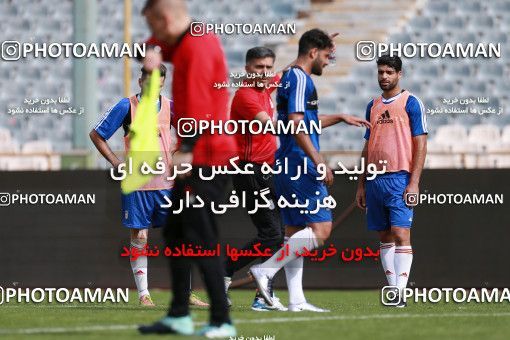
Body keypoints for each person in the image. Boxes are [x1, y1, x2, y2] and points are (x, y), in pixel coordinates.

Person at [249, 28, 370, 312]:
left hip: (287, 162)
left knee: (295, 232)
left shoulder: (292, 77)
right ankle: (265, 271)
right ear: (313, 53)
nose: (329, 61)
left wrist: (339, 117)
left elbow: (307, 120)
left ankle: (296, 299)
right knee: (321, 229)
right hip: (299, 163)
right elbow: (295, 122)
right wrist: (318, 160)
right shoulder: (300, 79)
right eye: (328, 55)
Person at [138, 0, 236, 337]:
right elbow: (156, 46)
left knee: (199, 237)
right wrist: (150, 50)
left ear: (165, 17)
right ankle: (179, 314)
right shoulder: (190, 39)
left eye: (154, 25)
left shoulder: (195, 48)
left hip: (207, 158)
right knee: (176, 233)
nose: (154, 33)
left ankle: (221, 321)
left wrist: (188, 152)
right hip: (204, 155)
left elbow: (196, 105)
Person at [90, 65, 208, 308]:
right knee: (140, 237)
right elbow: (97, 134)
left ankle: (185, 292)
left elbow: (192, 133)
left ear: (163, 82)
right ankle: (144, 294)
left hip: (167, 183)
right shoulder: (126, 106)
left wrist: (182, 155)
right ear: (140, 79)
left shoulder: (171, 107)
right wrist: (115, 162)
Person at [355, 55, 427, 307]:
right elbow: (367, 145)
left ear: (399, 74)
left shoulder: (411, 103)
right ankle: (393, 291)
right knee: (384, 235)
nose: (384, 76)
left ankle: (400, 292)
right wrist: (361, 183)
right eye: (380, 72)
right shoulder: (372, 105)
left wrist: (414, 182)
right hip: (374, 180)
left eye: (389, 72)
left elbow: (420, 143)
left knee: (400, 232)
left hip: (400, 177)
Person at [225, 46, 288, 312]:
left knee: (275, 234)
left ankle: (253, 289)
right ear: (247, 69)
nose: (264, 73)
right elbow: (269, 125)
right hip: (249, 170)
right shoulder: (245, 96)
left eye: (267, 68)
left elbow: (287, 72)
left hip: (264, 171)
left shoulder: (265, 88)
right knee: (273, 234)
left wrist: (311, 52)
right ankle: (258, 292)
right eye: (258, 67)